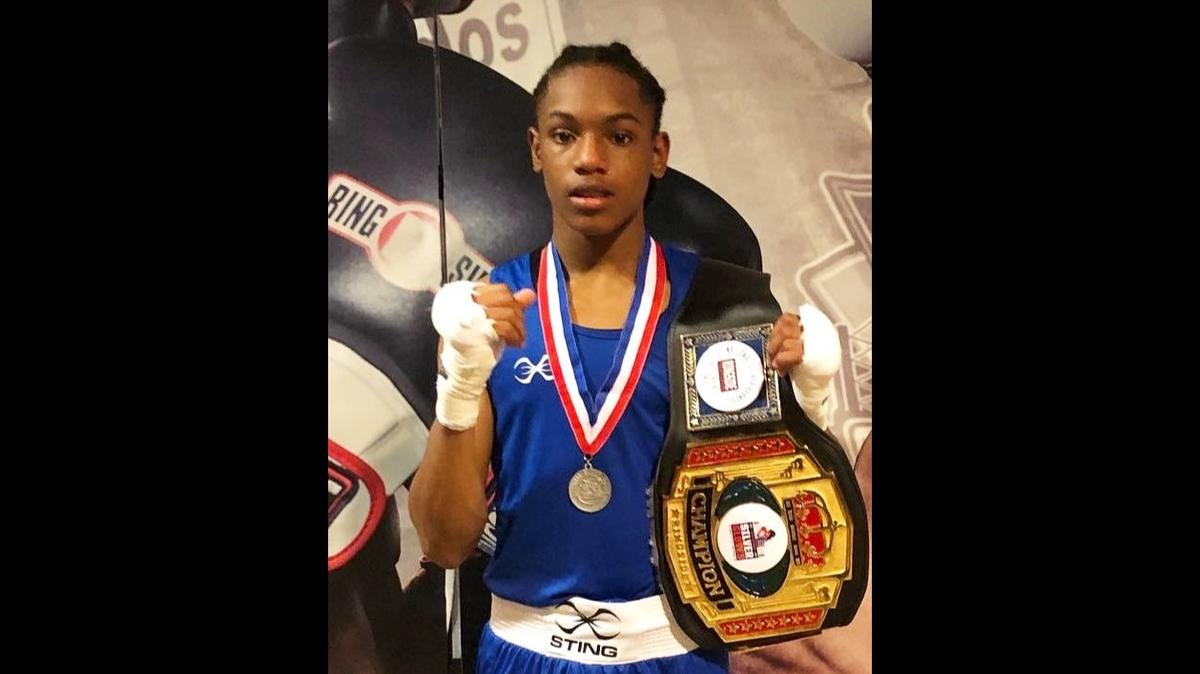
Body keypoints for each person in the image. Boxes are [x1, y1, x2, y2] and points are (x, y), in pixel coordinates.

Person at [409, 42, 841, 674]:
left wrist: (812, 402)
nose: (588, 158)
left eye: (618, 135)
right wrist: (462, 379)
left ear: (656, 153)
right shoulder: (492, 313)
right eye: (564, 135)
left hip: (678, 651)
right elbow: (443, 544)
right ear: (537, 150)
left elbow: (776, 531)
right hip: (523, 649)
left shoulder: (724, 309)